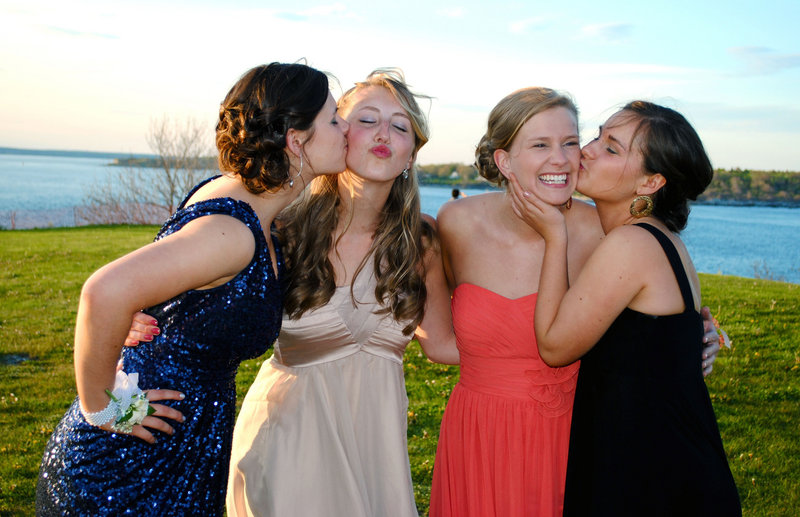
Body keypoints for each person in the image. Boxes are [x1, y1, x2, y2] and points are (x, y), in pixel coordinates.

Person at [35, 62, 349, 516]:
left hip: (181, 447)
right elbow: (103, 292)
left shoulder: (248, 204)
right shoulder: (232, 234)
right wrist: (102, 407)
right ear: (296, 141)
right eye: (334, 119)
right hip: (131, 466)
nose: (345, 130)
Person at [426, 88, 723, 517]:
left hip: (584, 443)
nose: (570, 157)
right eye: (542, 144)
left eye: (570, 141)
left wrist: (699, 336)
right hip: (478, 433)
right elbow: (445, 335)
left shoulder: (610, 236)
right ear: (504, 160)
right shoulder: (455, 223)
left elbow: (640, 320)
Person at [224, 69, 457, 517]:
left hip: (377, 455)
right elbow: (199, 295)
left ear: (411, 152)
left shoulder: (422, 240)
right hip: (289, 446)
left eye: (400, 125)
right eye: (367, 120)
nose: (384, 133)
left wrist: (559, 334)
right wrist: (146, 319)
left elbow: (445, 344)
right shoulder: (283, 229)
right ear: (338, 132)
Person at [509, 101, 741, 516]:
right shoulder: (659, 237)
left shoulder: (630, 243)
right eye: (598, 135)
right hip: (664, 460)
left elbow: (554, 347)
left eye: (612, 149)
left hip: (653, 474)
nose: (588, 150)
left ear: (650, 182)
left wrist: (554, 238)